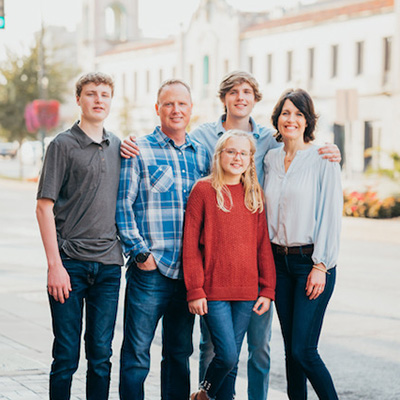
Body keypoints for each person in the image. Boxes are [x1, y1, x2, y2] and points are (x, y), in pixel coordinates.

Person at [119, 71, 341, 400]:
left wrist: (314, 267)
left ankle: (225, 395)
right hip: (200, 273)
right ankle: (208, 393)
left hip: (284, 270)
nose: (240, 97)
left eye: (248, 92)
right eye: (285, 113)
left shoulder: (288, 153)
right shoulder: (215, 152)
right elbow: (136, 205)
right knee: (206, 351)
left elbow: (274, 235)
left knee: (280, 350)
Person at [116, 79, 209, 400]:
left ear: (191, 109)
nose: (176, 110)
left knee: (179, 355)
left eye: (182, 104)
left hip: (189, 275)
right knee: (136, 355)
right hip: (150, 273)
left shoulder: (201, 156)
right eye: (169, 104)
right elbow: (122, 206)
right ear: (158, 109)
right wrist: (140, 254)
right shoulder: (138, 149)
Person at [36, 72, 123, 400]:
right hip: (69, 266)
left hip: (109, 268)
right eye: (91, 94)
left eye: (105, 94)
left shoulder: (117, 145)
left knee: (101, 357)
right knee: (66, 356)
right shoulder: (62, 145)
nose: (98, 99)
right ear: (79, 100)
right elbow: (43, 208)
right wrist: (54, 266)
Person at [183, 130, 276, 400]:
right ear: (220, 154)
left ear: (250, 159)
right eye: (231, 151)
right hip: (213, 292)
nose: (237, 157)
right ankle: (203, 393)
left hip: (247, 292)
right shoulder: (203, 190)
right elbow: (190, 246)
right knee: (227, 355)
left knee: (231, 363)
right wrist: (195, 290)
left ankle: (208, 395)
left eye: (243, 153)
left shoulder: (254, 193)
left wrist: (267, 289)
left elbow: (262, 246)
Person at [263, 88, 342, 400]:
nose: (291, 119)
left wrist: (321, 265)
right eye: (285, 113)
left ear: (308, 120)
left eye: (298, 113)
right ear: (277, 118)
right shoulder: (269, 158)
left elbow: (331, 216)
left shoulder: (323, 158)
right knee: (290, 353)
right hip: (278, 263)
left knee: (304, 350)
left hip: (311, 264)